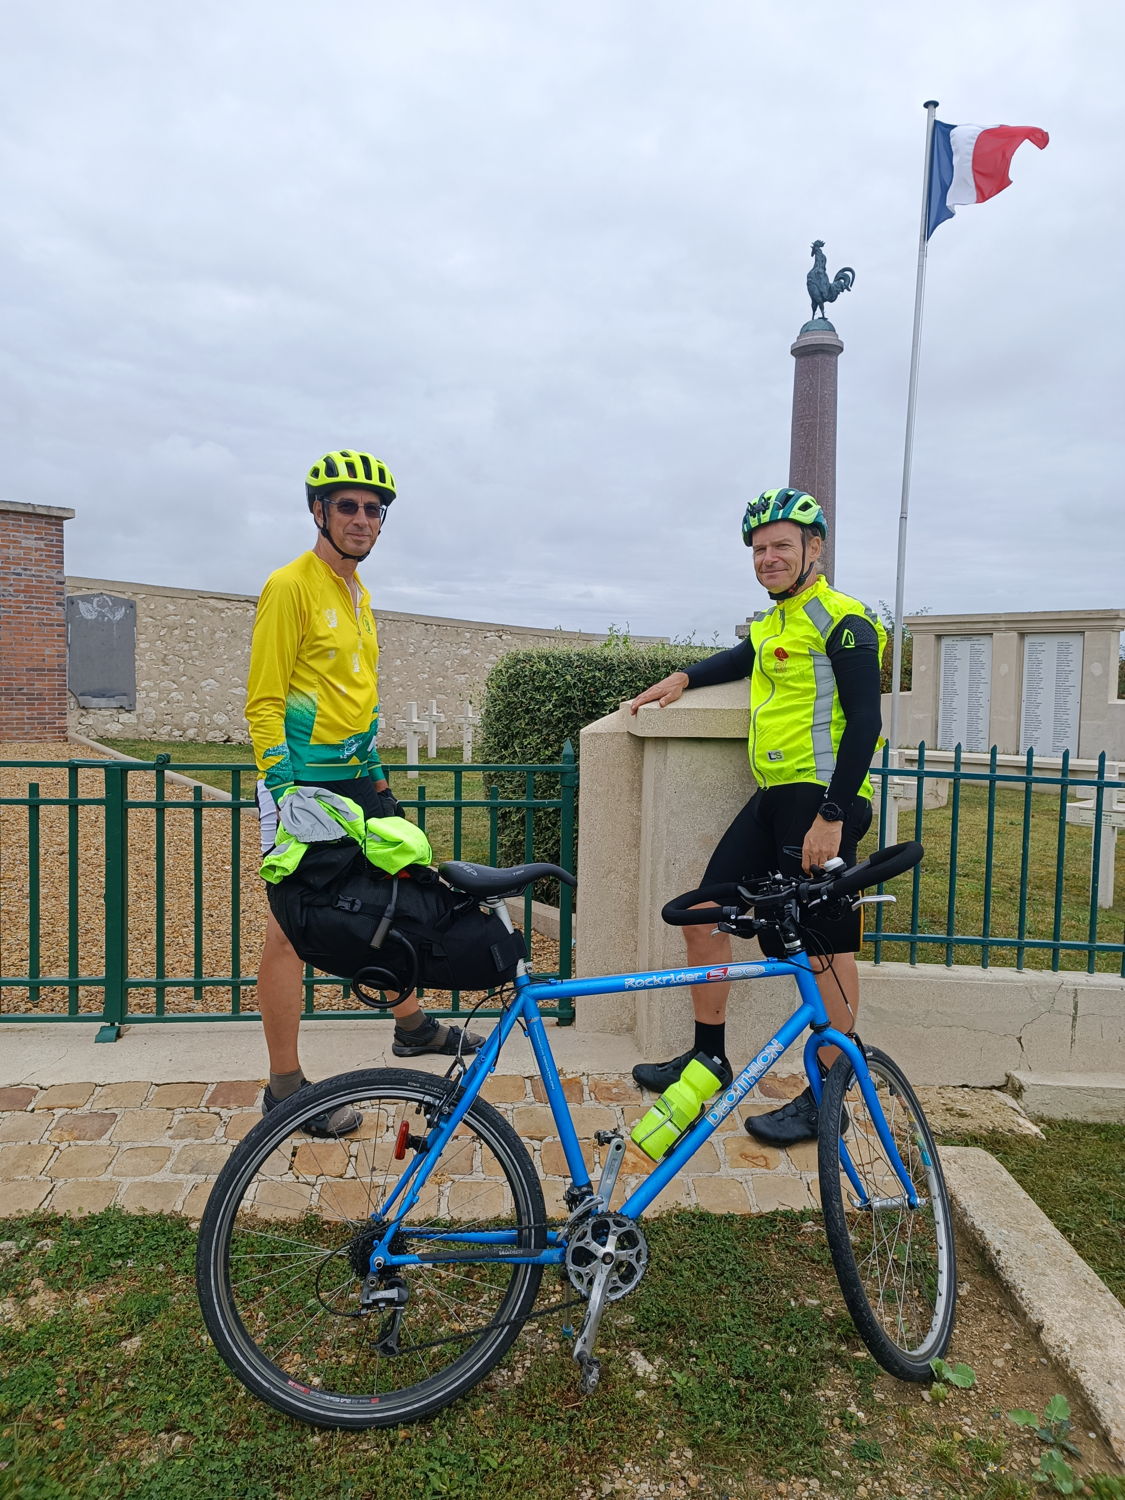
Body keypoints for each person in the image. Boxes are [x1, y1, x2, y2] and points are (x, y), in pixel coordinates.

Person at [628, 488, 886, 1146]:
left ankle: (829, 1095)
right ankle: (708, 1058)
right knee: (701, 917)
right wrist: (682, 678)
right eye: (758, 548)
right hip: (774, 795)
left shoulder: (844, 620)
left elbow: (866, 723)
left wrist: (832, 814)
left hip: (820, 800)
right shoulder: (776, 622)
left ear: (814, 549)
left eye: (780, 546)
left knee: (826, 949)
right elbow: (744, 658)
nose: (767, 557)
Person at [246, 449, 482, 1135]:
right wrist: (284, 786)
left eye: (371, 509)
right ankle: (284, 1086)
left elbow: (359, 698)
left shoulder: (359, 594)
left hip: (356, 777)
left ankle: (411, 1027)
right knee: (289, 932)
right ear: (319, 511)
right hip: (304, 784)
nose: (360, 518)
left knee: (399, 894)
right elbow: (264, 699)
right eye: (346, 506)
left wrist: (377, 773)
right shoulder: (290, 585)